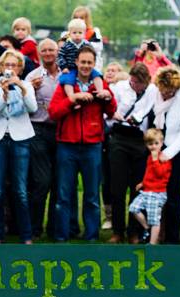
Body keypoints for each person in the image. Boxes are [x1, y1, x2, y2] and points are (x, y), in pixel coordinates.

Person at [48, 46, 116, 241]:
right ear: (76, 62)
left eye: (89, 62)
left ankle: (91, 236)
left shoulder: (99, 84)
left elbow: (111, 111)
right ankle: (62, 235)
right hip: (67, 146)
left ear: (94, 64)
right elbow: (53, 112)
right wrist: (72, 101)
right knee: (64, 195)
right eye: (83, 62)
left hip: (92, 145)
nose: (86, 66)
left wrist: (107, 98)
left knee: (92, 195)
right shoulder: (65, 85)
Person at [0, 50, 37, 244]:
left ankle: (26, 235)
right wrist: (5, 95)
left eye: (14, 65)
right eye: (6, 65)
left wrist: (21, 89)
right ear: (0, 68)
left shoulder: (26, 86)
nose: (10, 69)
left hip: (20, 138)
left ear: (20, 68)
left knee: (21, 190)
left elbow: (32, 108)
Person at [107, 62, 157, 243]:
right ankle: (117, 231)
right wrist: (116, 115)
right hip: (120, 137)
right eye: (135, 83)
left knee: (137, 187)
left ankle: (133, 231)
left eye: (141, 84)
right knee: (117, 188)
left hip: (139, 140)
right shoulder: (119, 88)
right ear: (131, 79)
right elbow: (108, 112)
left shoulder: (152, 90)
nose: (138, 87)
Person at [153, 66, 180, 243]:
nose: (166, 94)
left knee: (173, 194)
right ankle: (155, 235)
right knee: (155, 192)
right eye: (164, 90)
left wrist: (167, 154)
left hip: (178, 150)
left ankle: (172, 238)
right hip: (157, 146)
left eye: (170, 91)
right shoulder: (154, 93)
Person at [25, 39, 60, 238]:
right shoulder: (33, 76)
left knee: (58, 181)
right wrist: (30, 88)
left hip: (60, 131)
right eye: (44, 50)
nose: (48, 53)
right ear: (39, 54)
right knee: (41, 181)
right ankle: (35, 228)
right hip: (38, 130)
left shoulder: (65, 74)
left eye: (51, 50)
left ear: (57, 52)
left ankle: (54, 228)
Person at [129, 129, 171, 244]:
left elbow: (160, 173)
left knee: (155, 220)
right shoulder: (149, 158)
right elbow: (149, 173)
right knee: (134, 208)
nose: (153, 147)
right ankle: (147, 227)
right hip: (147, 191)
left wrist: (155, 160)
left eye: (156, 143)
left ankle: (152, 243)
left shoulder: (164, 158)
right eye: (150, 144)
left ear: (161, 143)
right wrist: (143, 183)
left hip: (157, 193)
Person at [57, 19, 105, 108]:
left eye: (80, 32)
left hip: (85, 67)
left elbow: (93, 54)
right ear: (69, 34)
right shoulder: (66, 45)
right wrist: (64, 67)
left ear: (84, 34)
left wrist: (92, 64)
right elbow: (60, 57)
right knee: (67, 80)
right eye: (74, 33)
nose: (77, 35)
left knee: (97, 75)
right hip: (71, 68)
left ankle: (100, 91)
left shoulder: (87, 44)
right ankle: (72, 99)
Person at [71, 5, 104, 71]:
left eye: (81, 18)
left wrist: (81, 42)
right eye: (76, 18)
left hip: (91, 66)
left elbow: (98, 47)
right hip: (74, 66)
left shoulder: (94, 32)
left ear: (87, 19)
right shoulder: (68, 34)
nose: (78, 20)